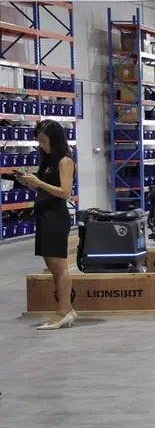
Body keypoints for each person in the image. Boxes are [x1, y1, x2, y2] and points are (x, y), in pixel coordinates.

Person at [15, 119, 76, 330]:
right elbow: (45, 190)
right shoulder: (47, 160)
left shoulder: (64, 162)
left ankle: (64, 311)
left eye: (43, 141)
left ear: (54, 139)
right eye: (39, 141)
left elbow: (65, 193)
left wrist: (39, 183)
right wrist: (31, 183)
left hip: (56, 218)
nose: (40, 145)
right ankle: (65, 308)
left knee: (59, 267)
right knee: (52, 267)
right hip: (43, 216)